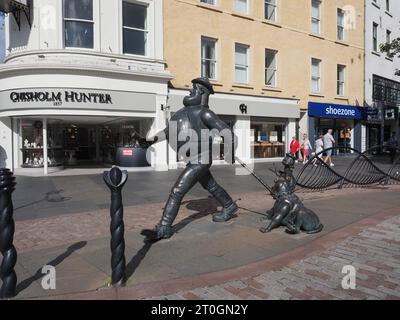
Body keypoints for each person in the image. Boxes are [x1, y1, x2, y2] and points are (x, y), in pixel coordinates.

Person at [134, 77, 238, 240]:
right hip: (192, 159)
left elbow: (226, 131)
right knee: (211, 186)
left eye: (194, 88)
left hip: (201, 159)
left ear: (203, 93)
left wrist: (230, 152)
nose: (190, 90)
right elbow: (167, 132)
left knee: (177, 191)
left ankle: (164, 227)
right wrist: (149, 141)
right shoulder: (180, 113)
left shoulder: (204, 113)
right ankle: (229, 205)